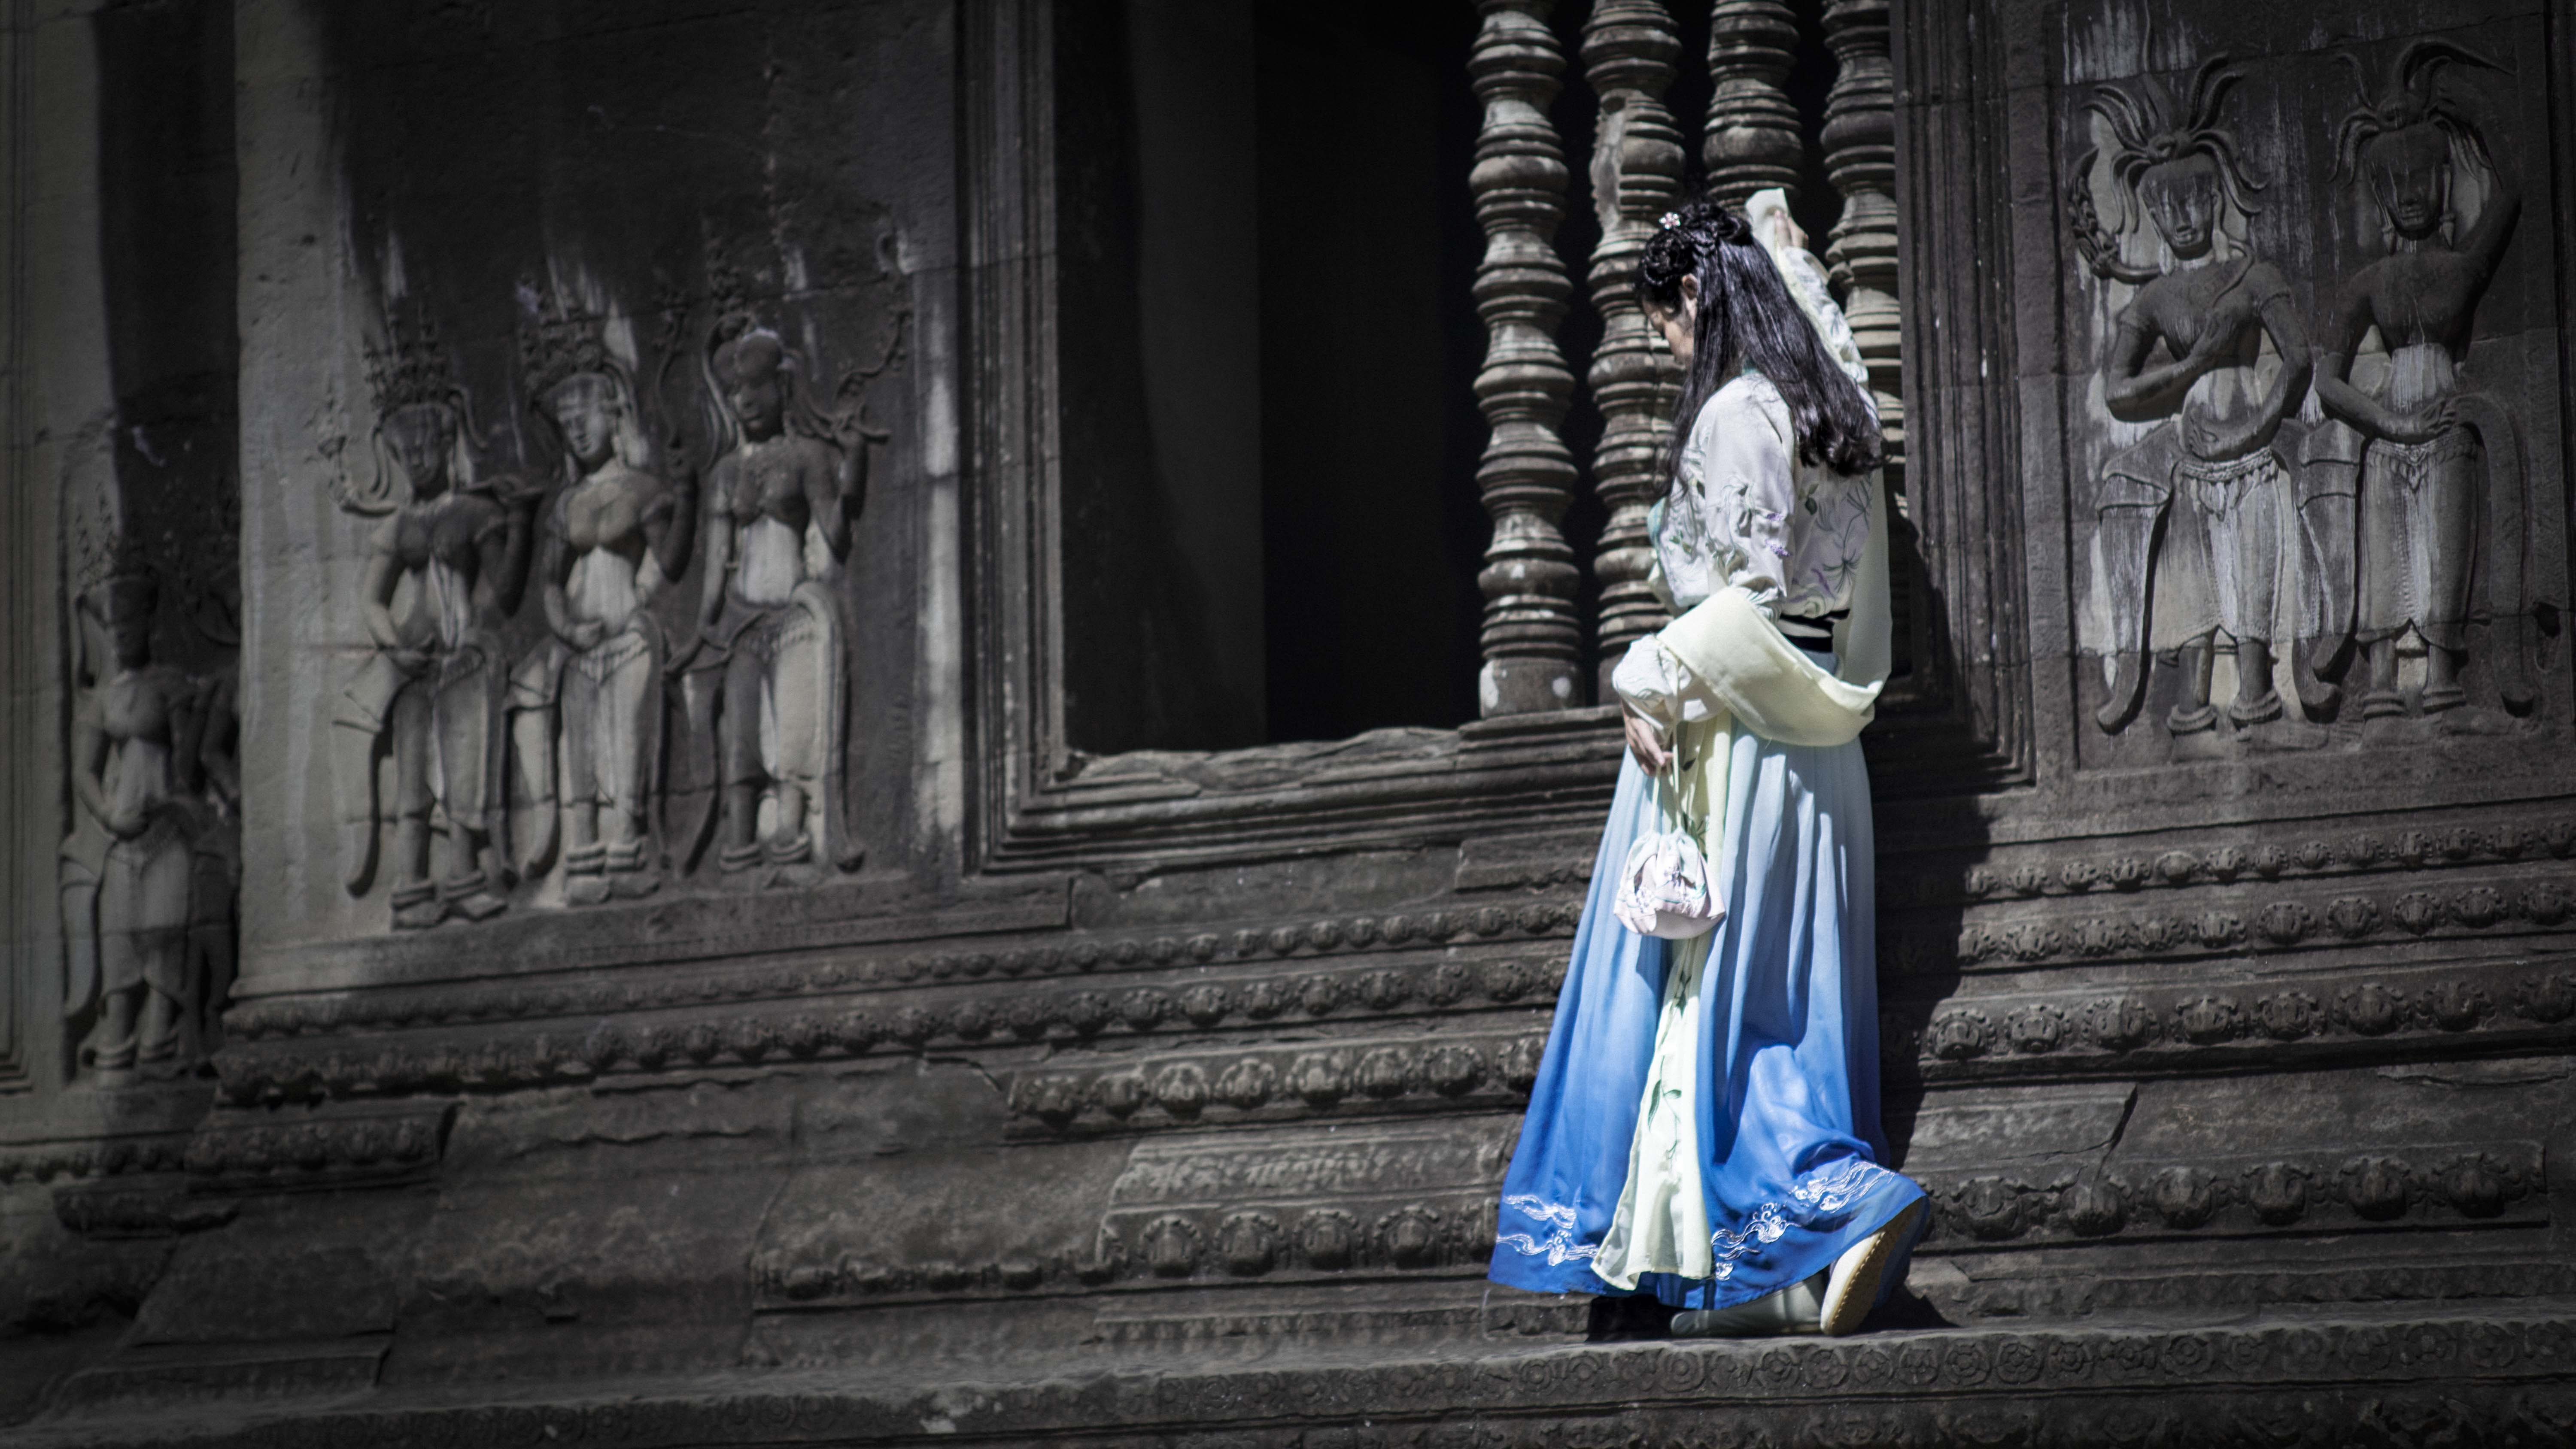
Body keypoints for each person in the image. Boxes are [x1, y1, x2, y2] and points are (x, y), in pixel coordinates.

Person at [1488, 194, 1926, 1338]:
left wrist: (1647, 673)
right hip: (1817, 749)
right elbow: (1832, 354)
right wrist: (1787, 253)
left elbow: (1750, 599)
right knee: (1786, 995)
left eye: (1670, 325)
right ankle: (1781, 1271)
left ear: (1696, 295)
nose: (1673, 350)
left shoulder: (1737, 412)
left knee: (1711, 1004)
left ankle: (1834, 1202)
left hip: (1733, 735)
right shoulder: (1834, 406)